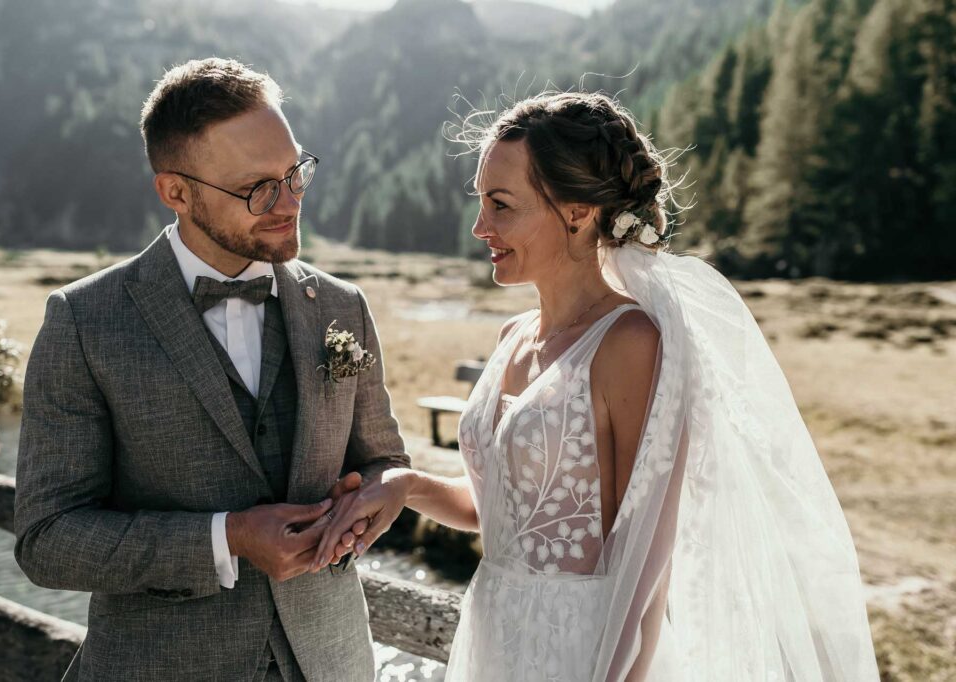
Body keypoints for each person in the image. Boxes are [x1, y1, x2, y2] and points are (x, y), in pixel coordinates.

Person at [313, 91, 880, 681]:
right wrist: (405, 485)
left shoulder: (631, 344)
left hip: (587, 652)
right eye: (480, 203)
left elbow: (647, 564)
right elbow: (503, 512)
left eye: (501, 205)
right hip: (493, 637)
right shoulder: (512, 336)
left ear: (578, 211)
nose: (480, 227)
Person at [13, 57, 410, 682]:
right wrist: (227, 537)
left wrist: (383, 494)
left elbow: (385, 459)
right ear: (176, 192)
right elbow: (48, 539)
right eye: (257, 188)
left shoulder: (342, 307)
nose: (288, 203)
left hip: (331, 663)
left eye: (294, 173)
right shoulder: (84, 321)